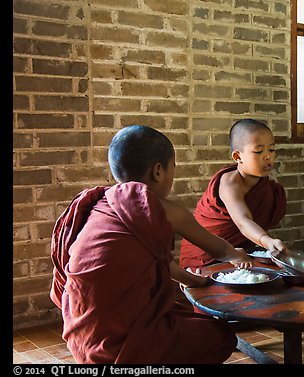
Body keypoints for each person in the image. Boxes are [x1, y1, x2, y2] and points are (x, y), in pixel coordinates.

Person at [50, 125, 253, 364]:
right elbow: (219, 250)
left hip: (81, 334)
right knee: (221, 336)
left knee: (187, 319)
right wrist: (238, 256)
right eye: (172, 169)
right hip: (119, 345)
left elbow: (157, 260)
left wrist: (194, 281)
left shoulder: (103, 205)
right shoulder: (160, 208)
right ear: (158, 171)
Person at [180, 118, 287, 271]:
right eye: (259, 151)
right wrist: (267, 241)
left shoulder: (265, 186)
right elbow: (243, 221)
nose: (267, 156)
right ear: (238, 157)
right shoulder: (230, 183)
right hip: (206, 252)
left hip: (241, 253)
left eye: (271, 150)